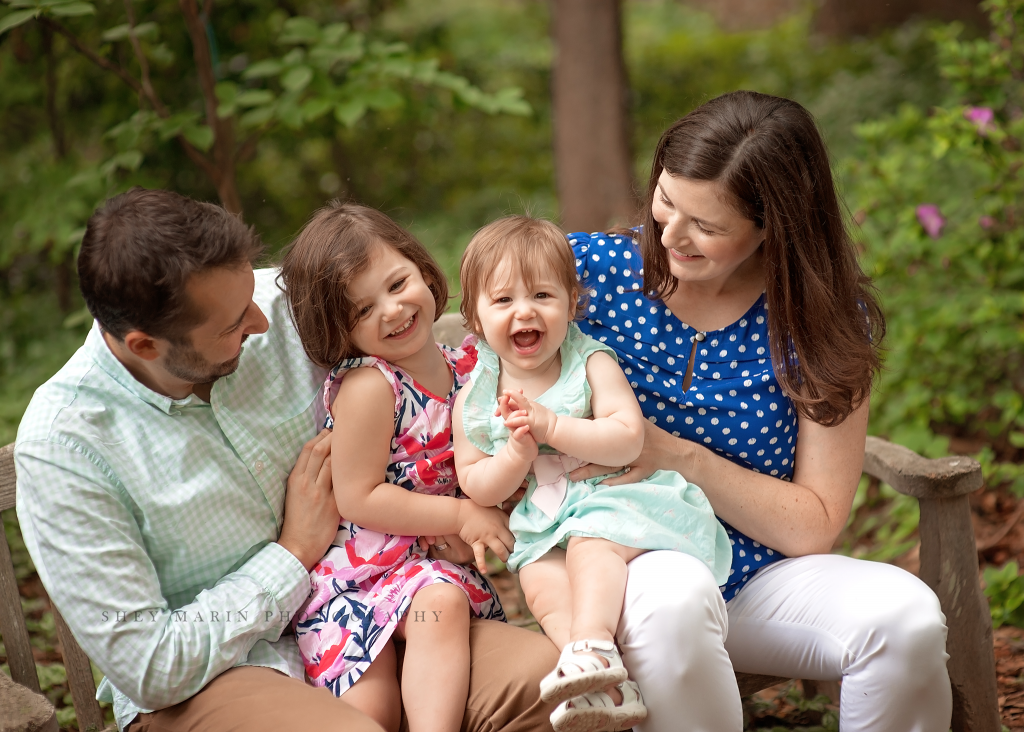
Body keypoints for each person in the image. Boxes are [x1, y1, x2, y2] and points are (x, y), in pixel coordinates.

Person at [14, 187, 557, 732]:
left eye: (252, 292)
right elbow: (152, 666)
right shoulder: (67, 444)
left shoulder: (300, 303)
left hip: (401, 602)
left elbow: (433, 430)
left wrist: (471, 512)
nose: (264, 322)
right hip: (218, 676)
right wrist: (293, 555)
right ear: (145, 345)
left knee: (547, 684)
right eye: (232, 325)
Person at [562, 90, 953, 732]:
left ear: (776, 225)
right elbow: (474, 373)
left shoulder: (818, 319)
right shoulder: (587, 275)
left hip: (762, 576)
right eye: (665, 200)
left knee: (904, 618)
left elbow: (813, 525)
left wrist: (677, 455)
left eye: (706, 226)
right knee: (673, 605)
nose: (668, 234)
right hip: (629, 560)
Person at [452, 216, 733, 732]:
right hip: (544, 522)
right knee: (538, 581)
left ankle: (595, 645)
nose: (525, 311)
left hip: (614, 499)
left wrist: (552, 425)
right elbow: (474, 480)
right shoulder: (475, 395)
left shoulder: (588, 361)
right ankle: (599, 679)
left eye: (542, 294)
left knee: (588, 544)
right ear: (473, 315)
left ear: (572, 301)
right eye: (503, 300)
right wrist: (514, 457)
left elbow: (629, 436)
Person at [279, 202, 515, 732]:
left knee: (440, 602)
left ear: (422, 268)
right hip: (356, 581)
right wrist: (458, 517)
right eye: (362, 310)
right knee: (373, 712)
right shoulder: (370, 387)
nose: (390, 310)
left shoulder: (470, 369)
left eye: (397, 283)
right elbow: (359, 496)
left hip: (426, 567)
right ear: (337, 328)